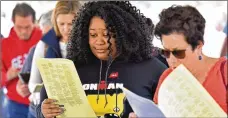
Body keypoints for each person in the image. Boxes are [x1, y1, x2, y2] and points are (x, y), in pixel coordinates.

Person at [37, 1, 167, 118]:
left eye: (106, 35)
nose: (99, 41)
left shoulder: (152, 69)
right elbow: (40, 110)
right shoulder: (68, 70)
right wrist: (44, 112)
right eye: (93, 35)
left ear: (124, 34)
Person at [129, 5, 227, 117]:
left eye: (178, 53)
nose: (171, 61)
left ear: (198, 47)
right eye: (165, 52)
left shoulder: (224, 72)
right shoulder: (167, 77)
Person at [1, 3, 42, 118]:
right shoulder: (3, 45)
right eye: (19, 27)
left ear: (34, 23)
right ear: (13, 22)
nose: (23, 31)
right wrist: (7, 75)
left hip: (40, 103)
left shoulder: (44, 40)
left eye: (28, 27)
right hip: (15, 105)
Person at [17, 9, 53, 118]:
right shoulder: (36, 49)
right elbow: (20, 84)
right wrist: (22, 88)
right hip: (35, 108)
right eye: (44, 33)